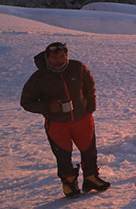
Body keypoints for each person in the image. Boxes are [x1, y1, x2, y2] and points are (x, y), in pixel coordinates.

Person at [20, 42, 110, 198]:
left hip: (82, 118)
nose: (59, 60)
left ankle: (91, 178)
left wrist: (90, 105)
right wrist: (48, 107)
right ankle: (69, 183)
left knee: (89, 150)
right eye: (54, 57)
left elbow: (89, 85)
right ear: (47, 57)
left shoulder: (77, 67)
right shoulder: (39, 77)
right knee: (63, 154)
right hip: (57, 123)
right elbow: (26, 102)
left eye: (62, 56)